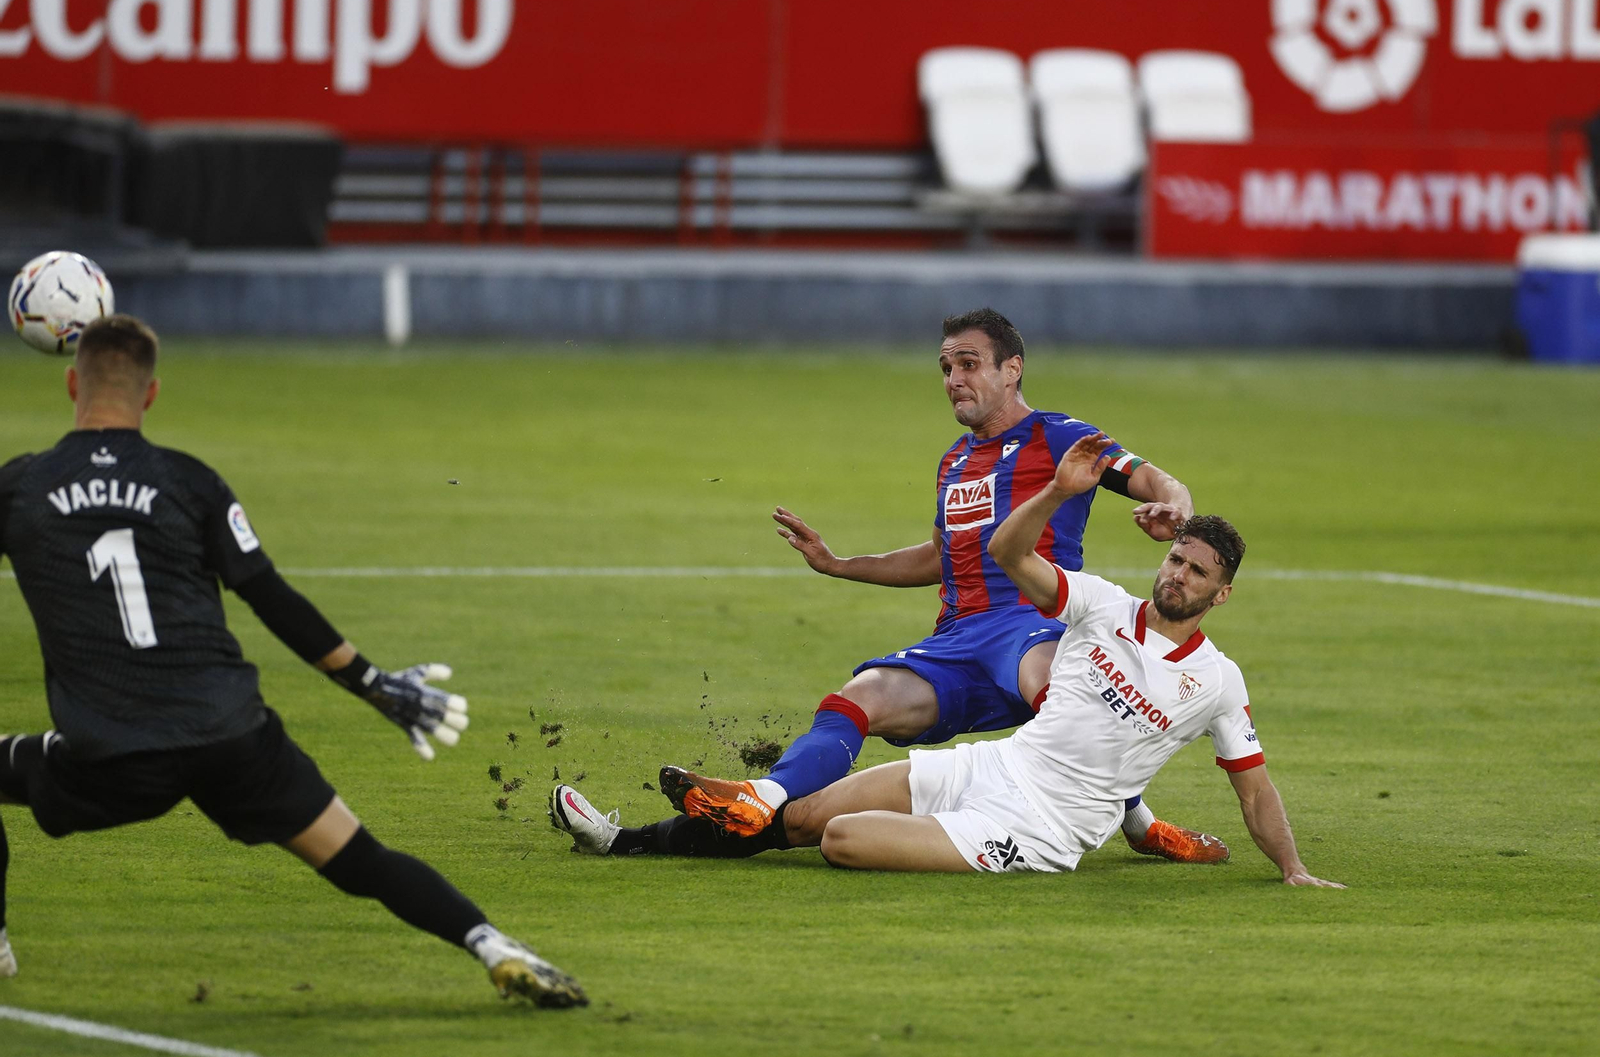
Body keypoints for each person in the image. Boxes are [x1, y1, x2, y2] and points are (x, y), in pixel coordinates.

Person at [0, 315, 586, 1006]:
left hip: (113, 753)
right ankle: (493, 946)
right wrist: (374, 686)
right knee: (362, 860)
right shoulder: (190, 482)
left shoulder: (21, 488)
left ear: (72, 380)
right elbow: (271, 597)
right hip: (234, 736)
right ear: (151, 395)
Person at [553, 432, 1343, 887]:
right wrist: (1056, 494)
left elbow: (1255, 790)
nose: (1176, 575)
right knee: (802, 816)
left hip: (1041, 830)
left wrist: (1293, 870)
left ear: (1220, 594)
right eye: (1176, 561)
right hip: (990, 770)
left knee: (843, 840)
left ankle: (1136, 822)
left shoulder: (1217, 684)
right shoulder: (1100, 603)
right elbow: (1007, 549)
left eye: (1196, 572)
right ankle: (622, 842)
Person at [643, 308, 1224, 862]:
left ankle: (1139, 823)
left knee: (1060, 689)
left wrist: (1174, 509)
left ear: (1011, 369)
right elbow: (942, 558)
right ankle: (761, 799)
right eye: (946, 368)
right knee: (860, 696)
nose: (953, 379)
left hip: (1033, 622)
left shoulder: (1060, 437)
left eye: (968, 364)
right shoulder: (954, 463)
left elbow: (1153, 478)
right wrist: (840, 563)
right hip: (958, 639)